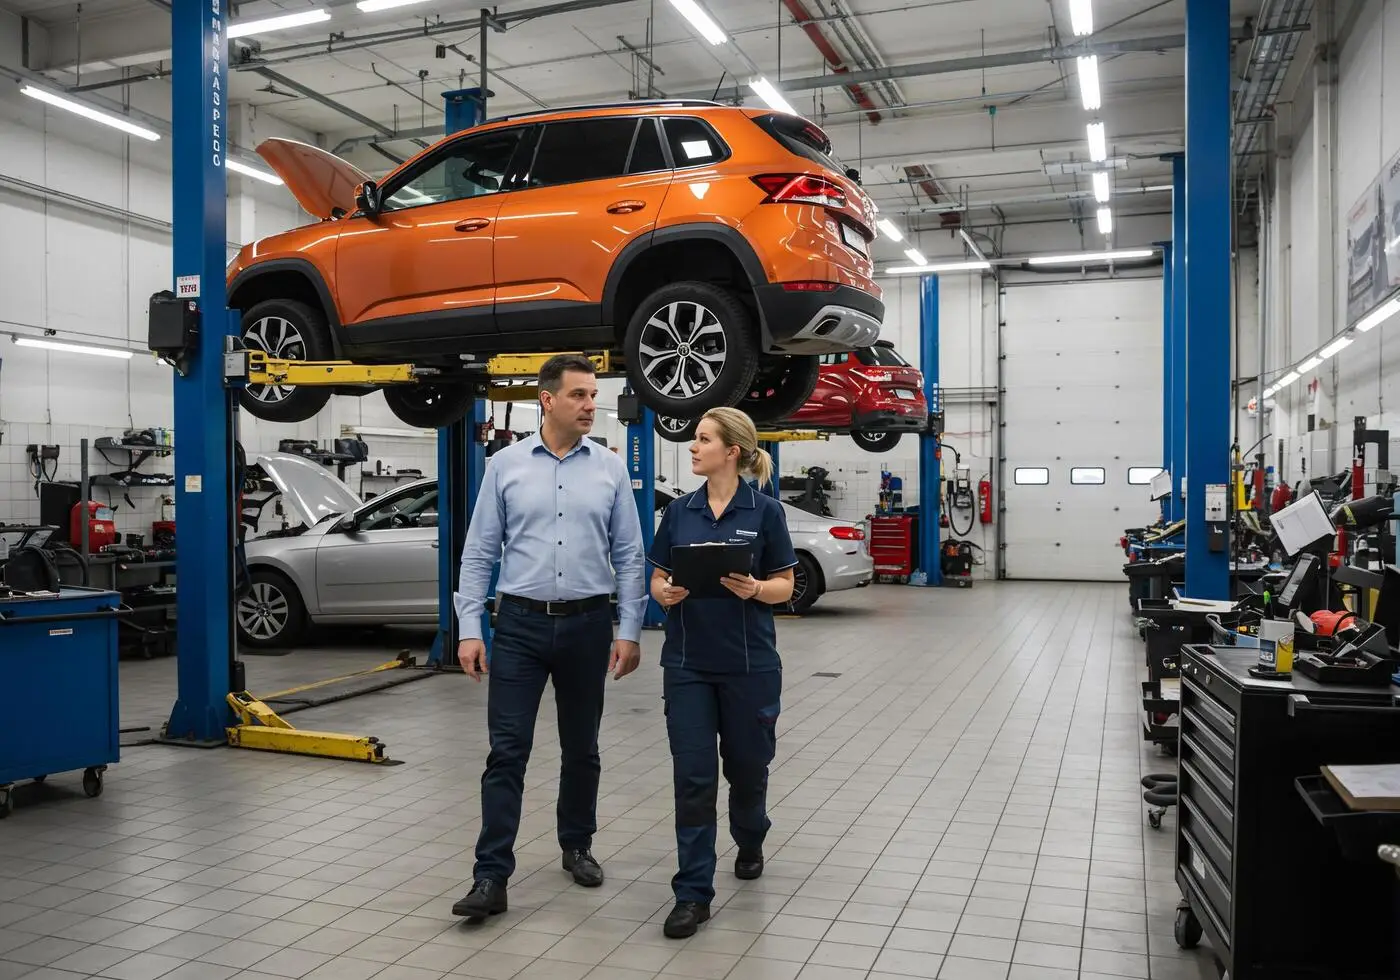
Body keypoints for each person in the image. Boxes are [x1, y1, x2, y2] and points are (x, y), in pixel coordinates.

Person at [450, 354, 647, 921]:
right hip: (518, 627)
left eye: (593, 395)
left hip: (588, 624)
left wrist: (628, 629)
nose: (591, 404)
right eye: (581, 395)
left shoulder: (609, 468)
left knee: (581, 748)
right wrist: (471, 627)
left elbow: (630, 556)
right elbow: (480, 551)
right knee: (507, 751)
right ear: (548, 399)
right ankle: (491, 876)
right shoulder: (504, 465)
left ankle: (576, 845)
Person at [646, 407, 798, 938]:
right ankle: (692, 893)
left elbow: (785, 584)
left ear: (731, 451)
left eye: (703, 439)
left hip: (749, 665)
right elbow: (659, 576)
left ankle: (751, 836)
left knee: (748, 771)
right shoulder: (680, 512)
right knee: (693, 780)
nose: (692, 446)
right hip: (686, 664)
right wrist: (661, 592)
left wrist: (757, 589)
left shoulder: (767, 512)